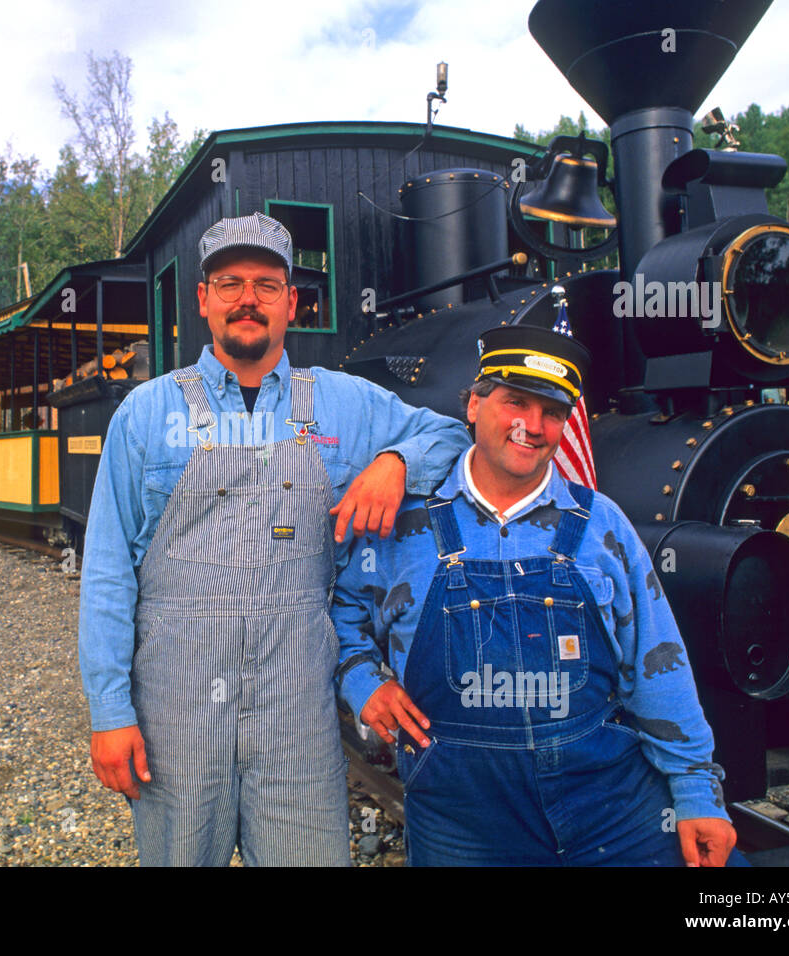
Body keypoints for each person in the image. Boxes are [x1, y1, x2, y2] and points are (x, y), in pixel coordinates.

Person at [78, 212, 471, 866]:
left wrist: (395, 464)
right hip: (177, 717)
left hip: (298, 717)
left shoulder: (347, 403)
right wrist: (109, 710)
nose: (247, 299)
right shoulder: (145, 415)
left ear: (292, 302)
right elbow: (107, 574)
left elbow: (452, 437)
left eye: (266, 284)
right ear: (203, 300)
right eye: (229, 282)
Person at [332, 324, 744, 866]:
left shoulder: (601, 525)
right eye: (515, 402)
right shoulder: (403, 524)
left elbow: (657, 665)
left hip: (606, 802)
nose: (533, 426)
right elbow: (341, 613)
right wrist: (364, 683)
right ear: (474, 405)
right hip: (463, 818)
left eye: (551, 411)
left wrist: (697, 795)